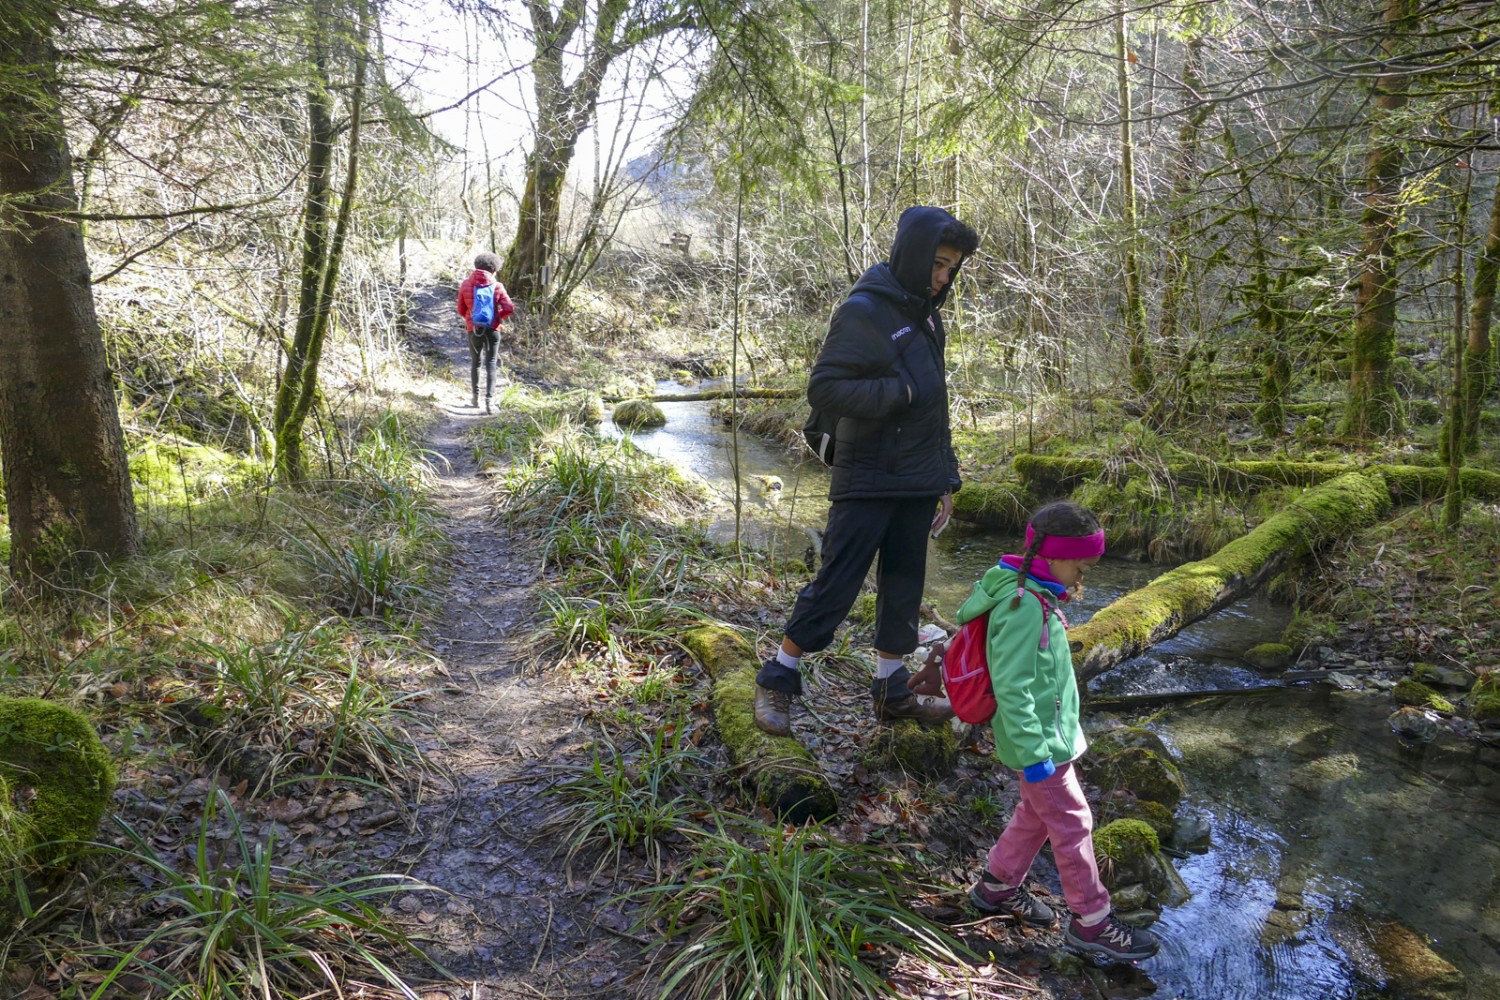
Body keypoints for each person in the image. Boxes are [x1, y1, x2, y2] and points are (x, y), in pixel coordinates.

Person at [753, 206, 979, 737]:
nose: (946, 278)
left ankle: (891, 691)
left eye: (953, 269)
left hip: (919, 477)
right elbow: (825, 388)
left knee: (904, 585)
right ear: (915, 254)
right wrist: (896, 392)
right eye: (940, 264)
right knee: (838, 582)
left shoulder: (927, 313)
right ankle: (777, 678)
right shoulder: (864, 309)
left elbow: (936, 406)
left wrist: (947, 477)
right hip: (869, 474)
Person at [959, 500, 1161, 963]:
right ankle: (1091, 921)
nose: (1082, 577)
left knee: (1035, 817)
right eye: (1080, 565)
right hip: (1038, 745)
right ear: (1053, 556)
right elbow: (1012, 686)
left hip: (1051, 739)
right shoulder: (1022, 604)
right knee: (1074, 822)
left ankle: (995, 888)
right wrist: (1034, 752)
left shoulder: (1036, 594)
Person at [456, 253, 515, 414]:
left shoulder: (466, 284)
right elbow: (509, 308)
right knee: (491, 364)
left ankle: (475, 399)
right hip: (493, 329)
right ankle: (489, 403)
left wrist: (471, 319)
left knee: (476, 362)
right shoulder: (497, 286)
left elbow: (461, 309)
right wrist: (497, 318)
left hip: (474, 328)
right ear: (494, 269)